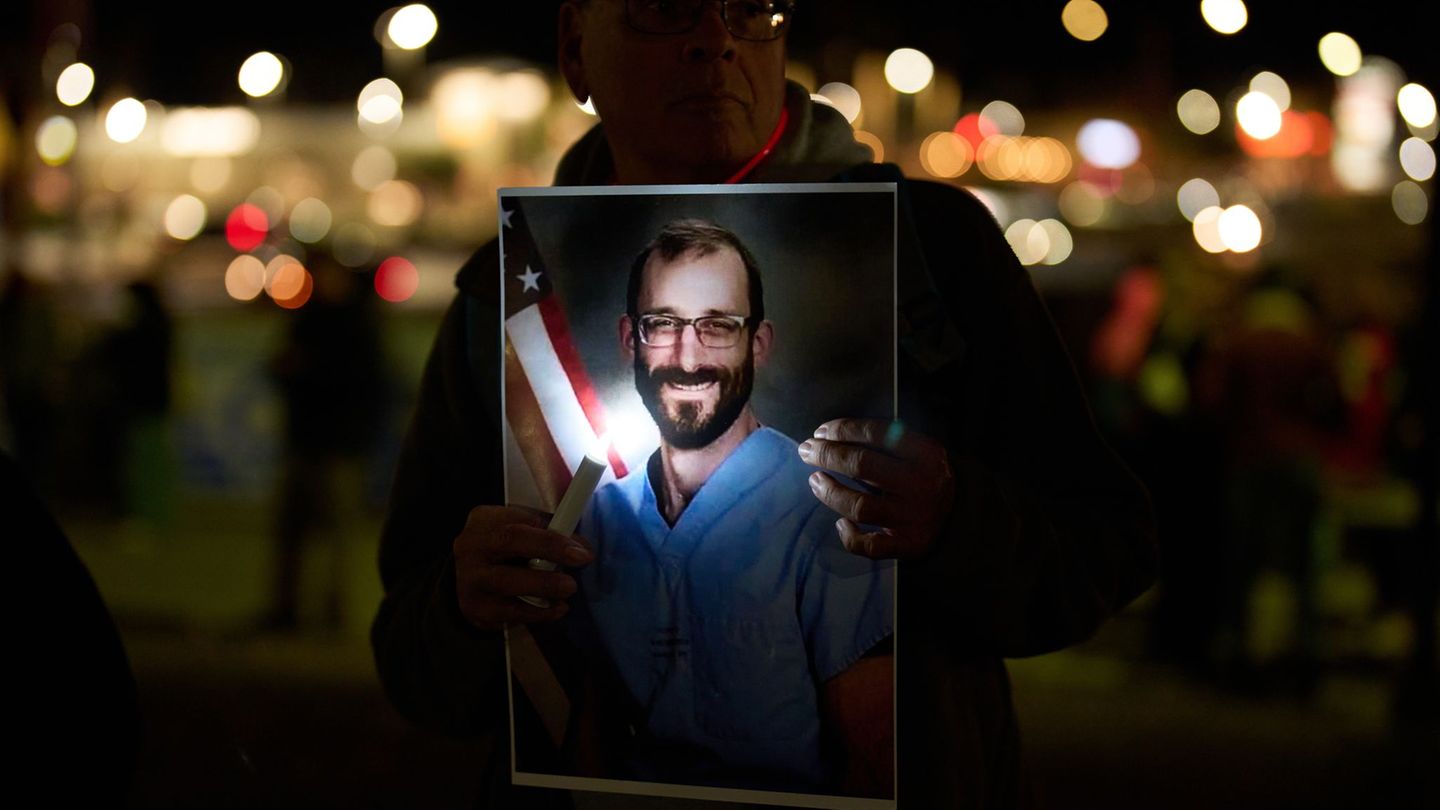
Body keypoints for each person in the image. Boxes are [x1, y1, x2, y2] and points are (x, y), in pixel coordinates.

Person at [372, 1, 1157, 807]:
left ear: (763, 339)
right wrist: (465, 610)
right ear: (575, 47)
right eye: (659, 12)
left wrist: (959, 522)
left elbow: (1105, 549)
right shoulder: (501, 300)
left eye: (752, 9)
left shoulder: (936, 250)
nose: (715, 41)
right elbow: (411, 661)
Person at [559, 218, 893, 791]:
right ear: (627, 338)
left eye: (717, 326)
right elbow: (589, 735)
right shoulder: (595, 517)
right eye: (662, 324)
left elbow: (873, 764)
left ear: (757, 344)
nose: (688, 358)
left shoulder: (827, 513)